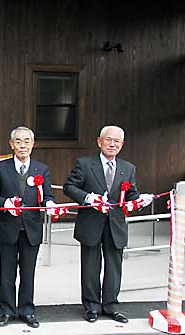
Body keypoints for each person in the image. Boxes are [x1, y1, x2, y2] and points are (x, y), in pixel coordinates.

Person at [63, 125, 153, 324]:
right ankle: (92, 307)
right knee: (90, 268)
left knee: (114, 267)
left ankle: (111, 306)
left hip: (115, 225)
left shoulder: (128, 168)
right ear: (99, 141)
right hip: (91, 223)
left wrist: (139, 201)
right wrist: (88, 198)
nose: (112, 144)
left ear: (122, 144)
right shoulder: (85, 164)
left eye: (117, 141)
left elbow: (131, 194)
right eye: (108, 139)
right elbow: (69, 187)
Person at [0, 126, 56, 328]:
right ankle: (6, 310)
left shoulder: (41, 169)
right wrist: (4, 203)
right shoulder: (1, 167)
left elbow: (47, 196)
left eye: (26, 141)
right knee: (7, 273)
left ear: (33, 144)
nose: (22, 145)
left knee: (28, 272)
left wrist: (49, 203)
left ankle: (26, 310)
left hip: (32, 228)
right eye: (18, 141)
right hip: (8, 227)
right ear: (11, 144)